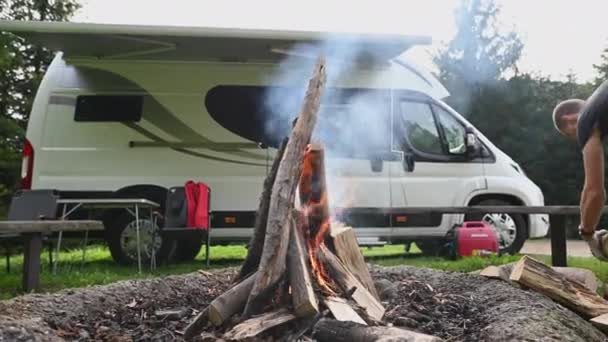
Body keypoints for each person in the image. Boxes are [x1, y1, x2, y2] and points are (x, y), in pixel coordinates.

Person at [552, 81, 608, 260]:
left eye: (572, 134)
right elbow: (587, 192)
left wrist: (588, 233)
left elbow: (594, 192)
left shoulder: (586, 120)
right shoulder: (600, 105)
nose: (574, 130)